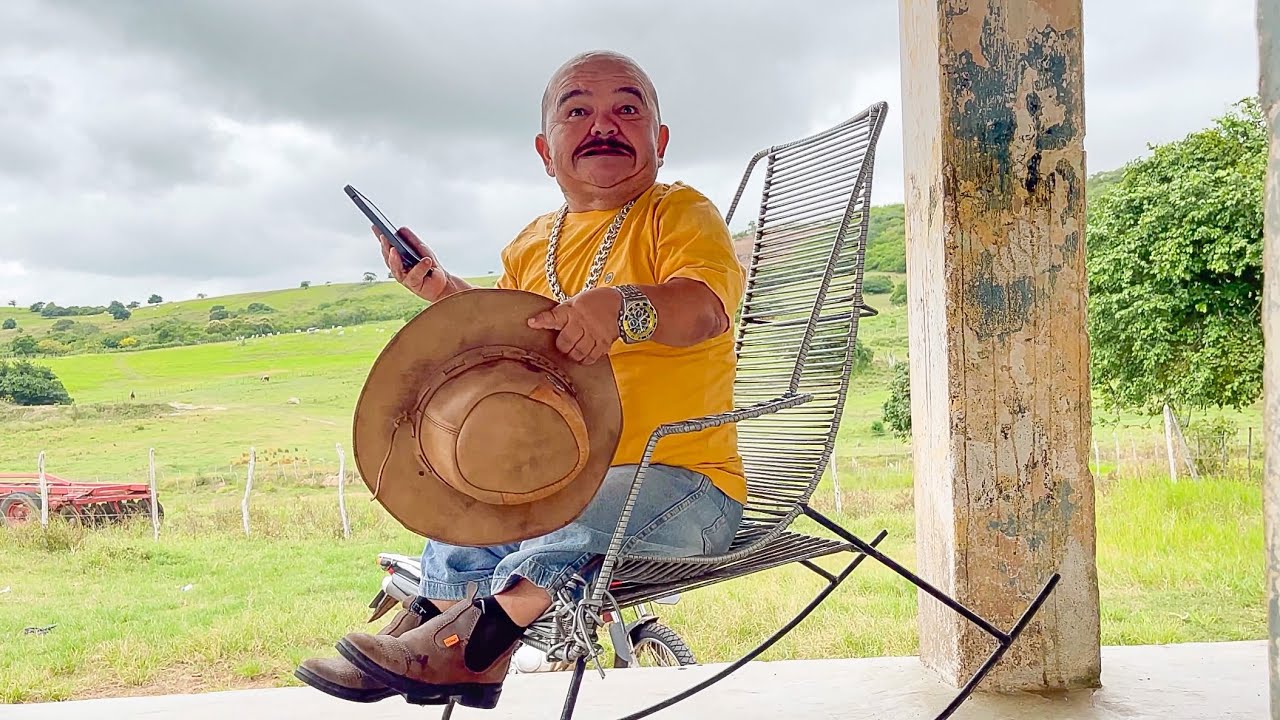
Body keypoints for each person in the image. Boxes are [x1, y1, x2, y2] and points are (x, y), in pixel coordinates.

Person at [297, 49, 747, 708]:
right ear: (545, 148)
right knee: (466, 505)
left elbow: (705, 308)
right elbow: (508, 348)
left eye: (627, 108)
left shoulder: (677, 214)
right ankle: (437, 631)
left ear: (661, 140)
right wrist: (446, 292)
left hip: (681, 488)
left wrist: (622, 307)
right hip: (556, 486)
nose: (605, 124)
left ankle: (478, 643)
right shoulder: (531, 244)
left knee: (589, 509)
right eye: (578, 111)